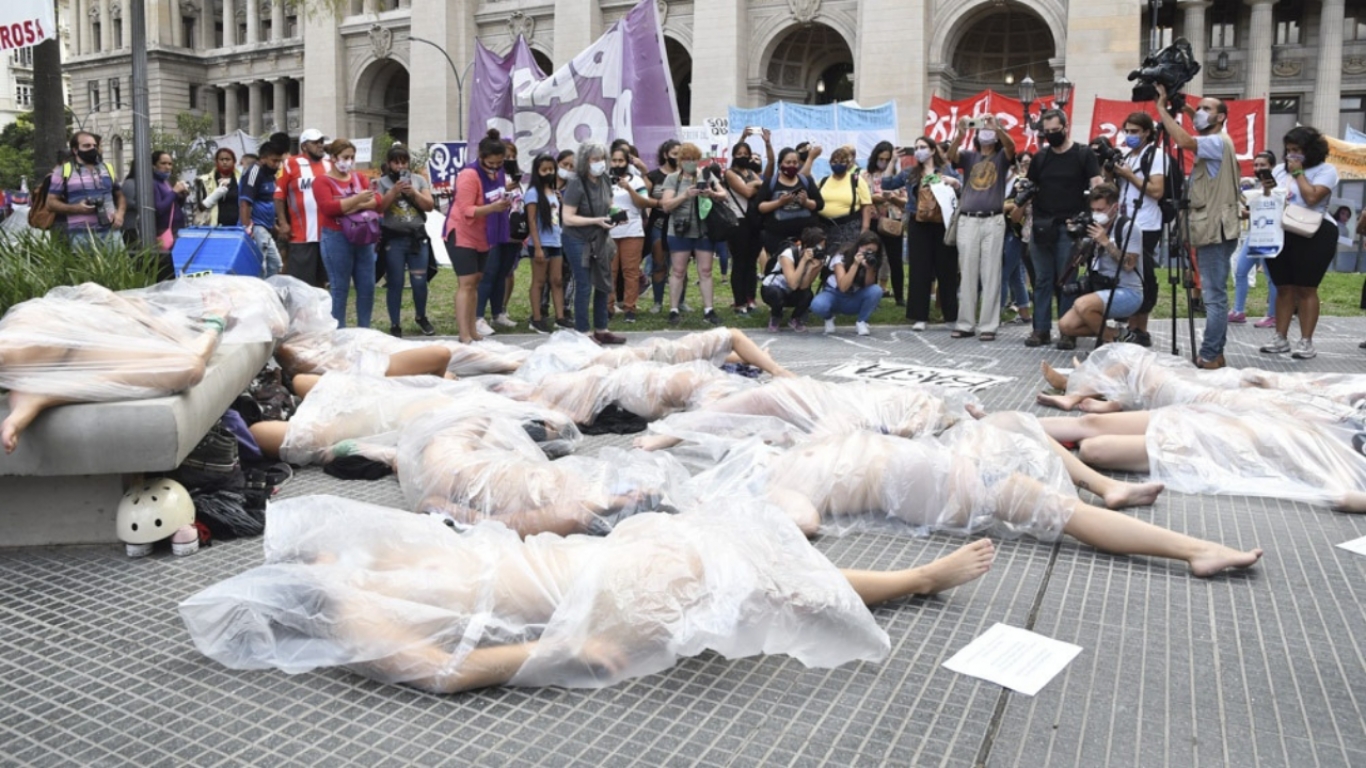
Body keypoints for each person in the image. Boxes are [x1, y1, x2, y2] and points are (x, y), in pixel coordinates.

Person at [180, 495, 996, 694]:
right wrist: (562, 650)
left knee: (746, 561)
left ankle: (907, 579)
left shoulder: (350, 551)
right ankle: (916, 578)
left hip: (582, 558)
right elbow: (441, 671)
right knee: (751, 584)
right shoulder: (357, 611)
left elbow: (464, 526)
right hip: (592, 593)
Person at [0, 283, 228, 453]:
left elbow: (190, 359)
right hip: (58, 330)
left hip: (65, 340)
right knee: (189, 366)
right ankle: (41, 395)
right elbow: (192, 352)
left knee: (188, 367)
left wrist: (215, 321)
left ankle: (43, 394)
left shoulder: (155, 330)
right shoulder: (154, 322)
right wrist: (215, 320)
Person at [1038, 404, 1366, 512]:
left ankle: (1015, 440)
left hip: (1207, 449)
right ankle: (994, 425)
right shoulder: (1344, 424)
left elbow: (1342, 497)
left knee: (1095, 448)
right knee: (1090, 424)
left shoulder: (1342, 467)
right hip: (1208, 420)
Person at [1154, 84, 1242, 369]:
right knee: (1215, 293)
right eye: (1199, 108)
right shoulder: (1222, 140)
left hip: (1214, 229)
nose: (1201, 113)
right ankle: (1213, 351)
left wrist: (1161, 111)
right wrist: (1186, 109)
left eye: (1207, 109)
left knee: (1214, 296)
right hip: (1219, 227)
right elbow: (1197, 129)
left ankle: (1211, 353)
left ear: (1220, 118)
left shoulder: (1216, 143)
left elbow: (1183, 140)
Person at [1023, 109, 1103, 350]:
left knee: (1067, 280)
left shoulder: (1082, 153)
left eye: (1055, 131)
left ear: (1065, 127)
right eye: (1046, 132)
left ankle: (1068, 330)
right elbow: (1030, 185)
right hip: (1042, 226)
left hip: (1070, 227)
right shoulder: (1041, 157)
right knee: (1042, 280)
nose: (1050, 135)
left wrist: (1091, 217)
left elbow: (1097, 184)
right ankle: (1041, 329)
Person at [1258, 126, 1340, 361]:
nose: (1291, 155)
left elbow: (1312, 197)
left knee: (1306, 288)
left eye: (1297, 150)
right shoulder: (1280, 170)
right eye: (1289, 150)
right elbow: (1272, 199)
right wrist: (1266, 191)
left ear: (1310, 150)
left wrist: (1298, 173)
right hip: (1282, 229)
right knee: (1283, 287)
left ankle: (1306, 341)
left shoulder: (1326, 170)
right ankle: (1280, 337)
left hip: (1314, 231)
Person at [947, 115, 1016, 341]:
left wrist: (999, 130)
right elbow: (950, 157)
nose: (986, 132)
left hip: (993, 219)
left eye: (990, 129)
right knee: (966, 271)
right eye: (983, 128)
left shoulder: (1001, 157)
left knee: (991, 272)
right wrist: (960, 134)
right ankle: (965, 323)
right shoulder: (969, 156)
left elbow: (1011, 148)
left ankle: (988, 325)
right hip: (968, 219)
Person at [883, 137, 962, 331]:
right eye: (917, 147)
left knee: (947, 269)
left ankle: (950, 315)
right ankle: (919, 316)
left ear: (933, 150)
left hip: (942, 222)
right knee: (920, 269)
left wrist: (955, 183)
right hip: (918, 223)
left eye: (923, 147)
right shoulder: (911, 173)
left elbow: (961, 189)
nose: (919, 151)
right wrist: (892, 162)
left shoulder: (946, 170)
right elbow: (887, 184)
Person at [443, 130, 512, 344]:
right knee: (466, 283)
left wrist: (508, 193)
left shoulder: (498, 172)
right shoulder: (469, 175)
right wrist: (493, 207)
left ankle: (473, 329)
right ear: (480, 157)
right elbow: (467, 210)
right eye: (490, 163)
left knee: (476, 281)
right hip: (461, 232)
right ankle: (464, 334)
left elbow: (495, 192)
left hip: (483, 233)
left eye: (499, 163)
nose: (494, 167)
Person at [1056, 184, 1144, 343]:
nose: (1097, 214)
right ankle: (1119, 335)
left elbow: (1129, 264)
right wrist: (1079, 239)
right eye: (1094, 210)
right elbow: (1081, 262)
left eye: (1101, 210)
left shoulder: (1129, 228)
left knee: (1082, 304)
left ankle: (1110, 342)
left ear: (1114, 207)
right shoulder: (1092, 226)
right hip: (1100, 287)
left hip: (1128, 291)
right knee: (1066, 325)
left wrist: (1105, 242)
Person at [559, 143, 627, 344]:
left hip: (600, 236)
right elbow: (568, 218)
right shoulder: (576, 183)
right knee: (584, 283)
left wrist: (615, 216)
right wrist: (596, 220)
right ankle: (583, 331)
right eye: (595, 159)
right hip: (577, 238)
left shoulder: (605, 178)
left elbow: (610, 203)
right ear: (585, 161)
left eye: (602, 159)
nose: (600, 163)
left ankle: (601, 328)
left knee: (604, 283)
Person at [1111, 112, 1167, 347]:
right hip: (1125, 221)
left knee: (1142, 276)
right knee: (1126, 273)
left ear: (1147, 132)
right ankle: (1128, 326)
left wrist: (1128, 175)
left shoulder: (1154, 155)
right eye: (1127, 131)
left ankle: (1140, 328)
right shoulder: (1128, 156)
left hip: (1145, 223)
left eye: (1135, 131)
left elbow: (1156, 191)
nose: (1130, 136)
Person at [658, 142, 728, 328]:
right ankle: (673, 309)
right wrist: (685, 195)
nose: (691, 162)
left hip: (704, 229)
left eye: (694, 159)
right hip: (679, 230)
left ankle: (709, 309)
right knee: (678, 270)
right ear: (680, 160)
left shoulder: (705, 175)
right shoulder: (673, 178)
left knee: (705, 271)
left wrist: (711, 192)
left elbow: (724, 194)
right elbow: (666, 206)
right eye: (687, 159)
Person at [313, 139, 380, 329]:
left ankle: (364, 330)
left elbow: (377, 200)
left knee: (367, 286)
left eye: (352, 157)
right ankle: (338, 331)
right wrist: (358, 200)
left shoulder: (359, 178)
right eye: (345, 157)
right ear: (333, 158)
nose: (349, 161)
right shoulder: (322, 181)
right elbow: (329, 208)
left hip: (363, 237)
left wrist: (350, 206)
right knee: (340, 288)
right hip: (336, 237)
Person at [373, 144, 436, 337]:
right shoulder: (382, 183)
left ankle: (421, 316)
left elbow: (430, 206)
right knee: (395, 282)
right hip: (394, 239)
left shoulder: (418, 180)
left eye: (404, 161)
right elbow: (379, 208)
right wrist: (393, 192)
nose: (400, 166)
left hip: (417, 237)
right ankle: (395, 323)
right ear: (389, 164)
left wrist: (413, 193)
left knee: (419, 282)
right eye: (396, 162)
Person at [476, 138, 523, 335]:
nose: (508, 160)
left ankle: (498, 313)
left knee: (503, 273)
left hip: (512, 232)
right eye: (506, 157)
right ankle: (478, 316)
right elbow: (488, 198)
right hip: (492, 230)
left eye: (512, 157)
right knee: (489, 273)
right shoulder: (489, 176)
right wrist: (505, 189)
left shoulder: (513, 176)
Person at [274, 128, 332, 288]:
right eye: (315, 142)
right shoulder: (290, 163)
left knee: (324, 282)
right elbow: (279, 195)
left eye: (322, 142)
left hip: (328, 234)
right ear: (304, 146)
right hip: (300, 236)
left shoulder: (329, 165)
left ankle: (321, 312)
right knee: (302, 285)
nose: (320, 145)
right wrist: (283, 223)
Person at [47, 131, 125, 248]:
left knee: (119, 266)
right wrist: (76, 208)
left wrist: (120, 214)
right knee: (85, 266)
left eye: (94, 146)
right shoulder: (63, 171)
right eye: (86, 146)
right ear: (75, 150)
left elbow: (120, 196)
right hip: (81, 235)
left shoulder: (107, 168)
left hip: (111, 231)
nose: (92, 149)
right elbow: (50, 203)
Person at [724, 131, 771, 316]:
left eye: (746, 153)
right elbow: (747, 192)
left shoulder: (751, 172)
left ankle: (750, 299)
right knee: (739, 262)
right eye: (739, 153)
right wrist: (754, 185)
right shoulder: (729, 173)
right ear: (734, 155)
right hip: (737, 221)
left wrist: (767, 144)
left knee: (751, 262)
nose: (743, 156)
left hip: (753, 221)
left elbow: (764, 185)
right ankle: (739, 301)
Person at [1230, 151, 1280, 327]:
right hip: (1254, 235)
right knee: (1240, 270)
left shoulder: (1278, 188)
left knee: (1270, 276)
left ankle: (1273, 314)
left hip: (1269, 237)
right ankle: (1238, 310)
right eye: (1256, 165)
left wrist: (1251, 213)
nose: (1258, 169)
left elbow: (1272, 211)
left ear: (1272, 167)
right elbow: (1252, 211)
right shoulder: (1256, 188)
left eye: (1263, 165)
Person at [756, 147, 824, 271]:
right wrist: (779, 202)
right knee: (780, 271)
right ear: (780, 163)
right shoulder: (771, 182)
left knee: (802, 272)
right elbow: (760, 207)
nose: (792, 165)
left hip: (804, 238)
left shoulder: (806, 181)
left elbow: (820, 204)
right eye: (788, 162)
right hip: (777, 239)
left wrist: (806, 202)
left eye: (795, 163)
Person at [607, 145, 651, 323]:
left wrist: (629, 189)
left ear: (627, 162)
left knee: (630, 271)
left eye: (621, 161)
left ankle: (629, 308)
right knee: (609, 271)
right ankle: (608, 307)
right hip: (609, 231)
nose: (617, 164)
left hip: (632, 231)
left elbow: (643, 203)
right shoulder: (603, 180)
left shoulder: (636, 181)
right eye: (614, 160)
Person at [810, 230, 884, 336]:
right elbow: (843, 287)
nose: (869, 254)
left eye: (873, 252)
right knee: (817, 305)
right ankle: (829, 318)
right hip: (834, 295)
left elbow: (869, 287)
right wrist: (855, 265)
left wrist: (869, 269)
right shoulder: (841, 256)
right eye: (867, 250)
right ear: (859, 246)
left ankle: (862, 321)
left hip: (854, 297)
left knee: (876, 290)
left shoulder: (872, 261)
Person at [525, 154, 566, 334]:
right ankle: (537, 318)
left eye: (551, 169)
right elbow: (532, 221)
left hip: (556, 241)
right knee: (539, 281)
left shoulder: (554, 192)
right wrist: (538, 247)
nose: (548, 173)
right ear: (537, 171)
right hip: (540, 243)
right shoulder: (533, 193)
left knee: (557, 280)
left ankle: (560, 317)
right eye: (544, 170)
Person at [866, 141, 907, 306]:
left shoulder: (899, 177)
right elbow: (862, 197)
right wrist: (876, 198)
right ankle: (871, 296)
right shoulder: (866, 175)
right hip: (873, 220)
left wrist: (894, 198)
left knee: (895, 260)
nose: (883, 162)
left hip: (893, 221)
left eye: (887, 159)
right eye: (880, 158)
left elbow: (906, 201)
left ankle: (899, 297)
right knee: (872, 259)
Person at [761, 225, 824, 332]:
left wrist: (811, 269)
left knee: (808, 295)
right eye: (818, 248)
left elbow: (804, 286)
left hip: (792, 292)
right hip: (773, 288)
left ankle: (795, 318)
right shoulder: (788, 254)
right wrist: (803, 261)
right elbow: (793, 284)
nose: (820, 251)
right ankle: (776, 316)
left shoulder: (817, 259)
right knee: (776, 294)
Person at [238, 141, 285, 277]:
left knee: (275, 265)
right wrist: (247, 229)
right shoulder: (254, 172)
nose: (277, 165)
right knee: (260, 267)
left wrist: (275, 226)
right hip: (256, 228)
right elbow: (245, 202)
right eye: (274, 161)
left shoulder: (270, 175)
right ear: (263, 158)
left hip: (267, 228)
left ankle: (268, 293)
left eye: (279, 161)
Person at [644, 140, 681, 314]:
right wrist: (659, 203)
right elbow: (642, 199)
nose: (678, 157)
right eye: (674, 154)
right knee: (659, 262)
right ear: (665, 155)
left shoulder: (685, 175)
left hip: (681, 224)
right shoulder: (653, 176)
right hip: (658, 223)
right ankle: (658, 302)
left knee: (680, 265)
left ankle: (680, 301)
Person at [816, 146, 873, 254]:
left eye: (842, 161)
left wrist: (865, 229)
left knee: (845, 260)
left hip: (849, 228)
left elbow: (866, 205)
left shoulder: (856, 180)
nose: (838, 164)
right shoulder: (823, 180)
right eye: (835, 161)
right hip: (825, 228)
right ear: (830, 163)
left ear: (848, 163)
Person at [1002, 155, 1034, 326]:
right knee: (1016, 275)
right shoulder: (999, 183)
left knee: (1004, 273)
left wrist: (999, 205)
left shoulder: (1023, 182)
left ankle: (994, 314)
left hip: (1016, 233)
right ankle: (1024, 312)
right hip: (1005, 229)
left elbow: (1015, 204)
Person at [149, 151, 190, 249]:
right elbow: (159, 209)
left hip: (177, 228)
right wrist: (174, 192)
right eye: (163, 163)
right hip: (165, 230)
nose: (167, 167)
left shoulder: (165, 182)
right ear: (154, 165)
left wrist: (182, 196)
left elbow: (174, 206)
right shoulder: (153, 183)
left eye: (170, 164)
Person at [193, 147, 240, 227]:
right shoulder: (205, 181)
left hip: (238, 228)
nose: (224, 162)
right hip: (213, 229)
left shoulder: (242, 180)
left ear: (234, 161)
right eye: (221, 159)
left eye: (227, 159)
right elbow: (199, 208)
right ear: (216, 161)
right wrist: (215, 195)